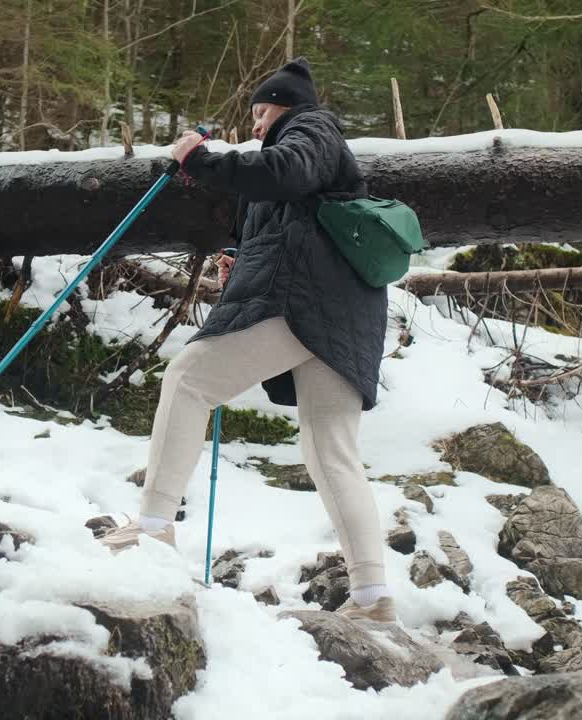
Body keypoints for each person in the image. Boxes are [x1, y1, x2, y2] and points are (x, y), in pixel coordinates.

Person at [100, 57, 394, 623]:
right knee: (330, 451)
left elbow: (285, 171)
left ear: (283, 105)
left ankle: (152, 529)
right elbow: (283, 211)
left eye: (260, 112)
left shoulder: (311, 127)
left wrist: (200, 158)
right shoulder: (307, 150)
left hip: (302, 301)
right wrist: (238, 256)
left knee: (188, 379)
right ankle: (372, 598)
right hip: (344, 313)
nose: (256, 125)